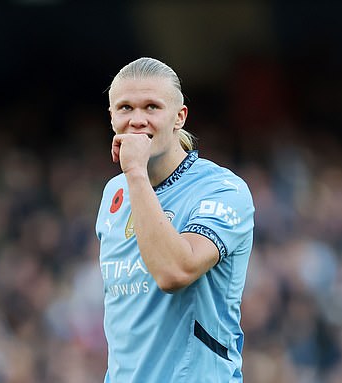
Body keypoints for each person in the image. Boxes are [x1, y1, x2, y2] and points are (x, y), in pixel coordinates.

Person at [96, 57, 255, 382]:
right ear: (111, 116)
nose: (137, 120)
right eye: (125, 108)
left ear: (179, 116)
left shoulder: (223, 190)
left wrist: (136, 173)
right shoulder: (114, 192)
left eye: (152, 107)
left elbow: (174, 272)